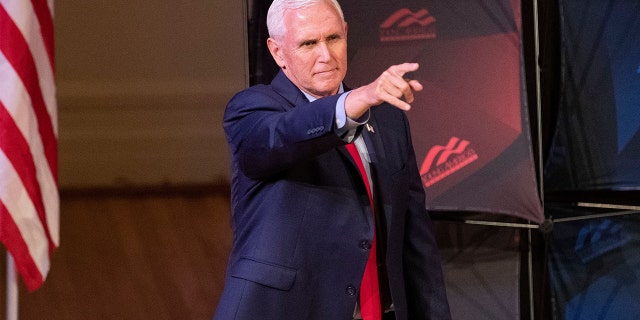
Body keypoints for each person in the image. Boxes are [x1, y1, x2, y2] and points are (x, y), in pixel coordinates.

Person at [214, 0, 451, 319]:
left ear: (346, 34)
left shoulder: (388, 118)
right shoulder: (252, 109)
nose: (325, 55)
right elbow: (282, 136)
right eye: (308, 43)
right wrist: (358, 100)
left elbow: (415, 241)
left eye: (333, 38)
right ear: (278, 52)